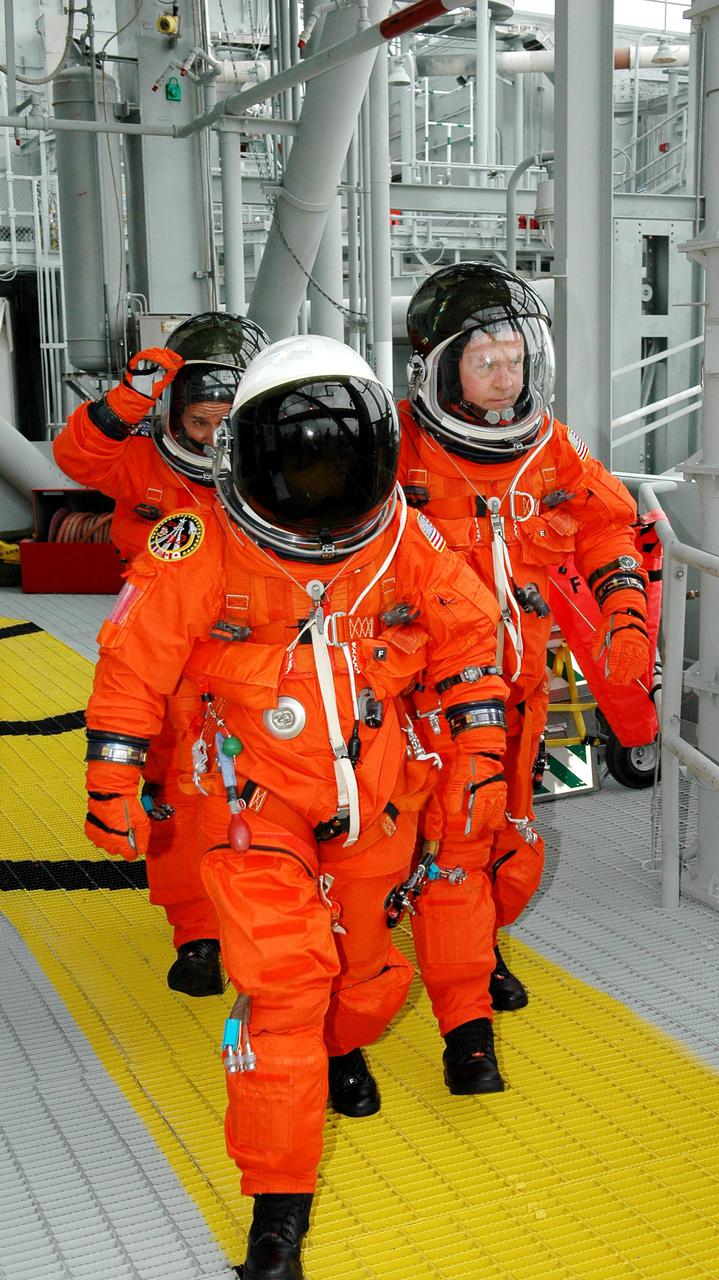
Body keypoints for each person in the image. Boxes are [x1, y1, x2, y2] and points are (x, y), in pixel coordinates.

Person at [81, 335, 508, 1280]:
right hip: (252, 795)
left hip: (373, 797)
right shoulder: (198, 541)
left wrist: (478, 754)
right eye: (300, 461)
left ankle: (341, 1047)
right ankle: (278, 1208)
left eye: (338, 462)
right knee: (280, 990)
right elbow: (133, 661)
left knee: (361, 979)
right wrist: (110, 773)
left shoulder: (406, 539)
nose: (320, 491)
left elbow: (470, 645)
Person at [398, 261, 651, 1093]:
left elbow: (607, 525)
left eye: (515, 357)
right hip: (425, 700)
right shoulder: (394, 450)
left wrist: (623, 615)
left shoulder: (549, 446)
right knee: (450, 853)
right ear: (439, 369)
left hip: (522, 692)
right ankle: (463, 1027)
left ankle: (476, 946)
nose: (506, 375)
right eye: (486, 361)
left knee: (509, 845)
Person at [54, 311, 269, 996]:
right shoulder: (143, 464)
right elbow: (77, 459)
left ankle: (265, 917)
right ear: (174, 417)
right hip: (164, 657)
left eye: (226, 420)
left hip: (252, 655)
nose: (212, 436)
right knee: (175, 799)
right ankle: (196, 935)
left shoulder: (275, 471)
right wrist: (126, 400)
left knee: (263, 792)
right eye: (200, 421)